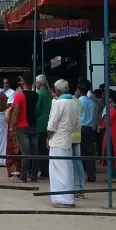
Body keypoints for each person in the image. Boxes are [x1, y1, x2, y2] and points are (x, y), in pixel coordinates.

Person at [46, 79, 81, 208]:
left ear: (58, 91)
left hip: (57, 140)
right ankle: (68, 198)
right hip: (67, 140)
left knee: (57, 171)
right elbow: (78, 126)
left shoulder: (58, 103)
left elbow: (51, 125)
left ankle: (61, 199)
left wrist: (48, 138)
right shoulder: (74, 103)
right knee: (67, 169)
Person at [10, 77, 38, 183]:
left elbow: (16, 112)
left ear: (23, 83)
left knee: (25, 152)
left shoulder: (19, 95)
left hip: (22, 127)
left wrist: (12, 126)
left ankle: (23, 176)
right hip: (34, 126)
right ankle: (34, 176)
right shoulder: (36, 95)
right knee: (35, 152)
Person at [76, 81, 97, 190]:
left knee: (80, 153)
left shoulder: (79, 102)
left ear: (79, 90)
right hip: (90, 129)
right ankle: (91, 175)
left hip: (81, 128)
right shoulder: (93, 102)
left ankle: (80, 176)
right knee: (90, 153)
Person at [99, 96, 116, 181]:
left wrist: (100, 126)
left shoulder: (113, 110)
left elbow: (107, 121)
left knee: (110, 155)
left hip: (112, 135)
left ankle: (113, 176)